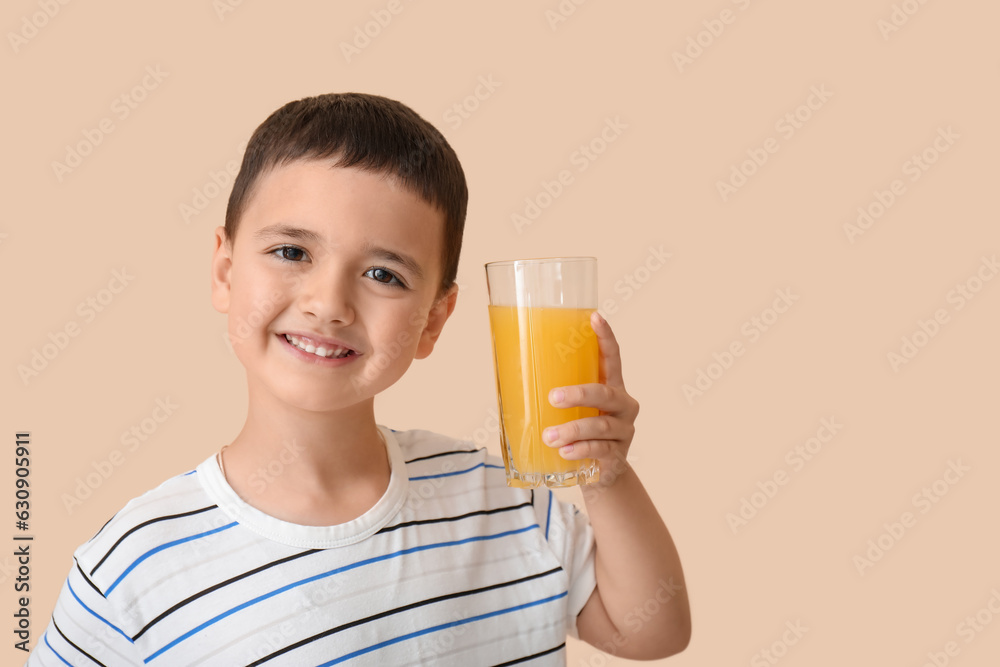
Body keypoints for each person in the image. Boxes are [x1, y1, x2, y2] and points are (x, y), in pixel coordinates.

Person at [27, 93, 690, 666]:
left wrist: (607, 474)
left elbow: (652, 629)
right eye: (291, 252)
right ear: (226, 271)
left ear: (434, 320)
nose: (329, 303)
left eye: (384, 274)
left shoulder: (505, 501)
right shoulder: (133, 562)